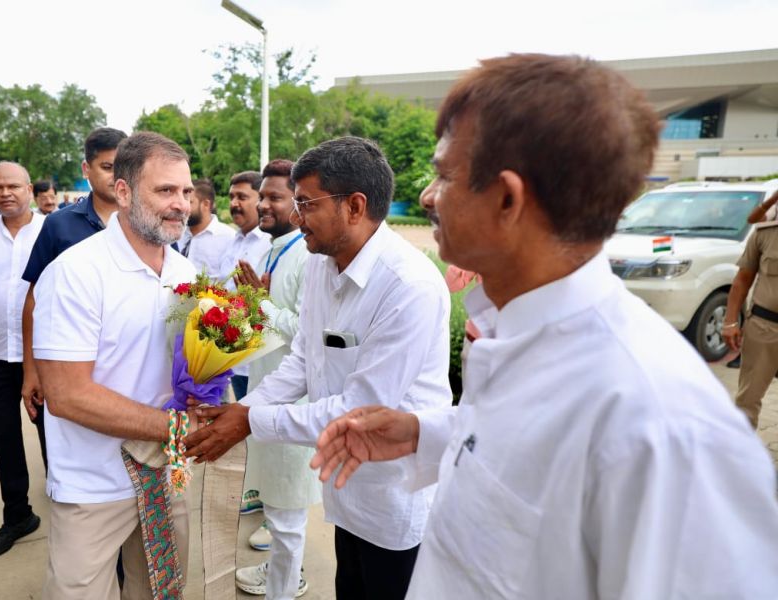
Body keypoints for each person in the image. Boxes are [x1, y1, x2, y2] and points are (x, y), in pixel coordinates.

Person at [310, 54, 778, 599]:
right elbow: (529, 449)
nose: (430, 197)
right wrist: (428, 432)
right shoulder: (518, 331)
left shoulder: (663, 426)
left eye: (443, 174)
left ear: (508, 198)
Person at [185, 137, 452, 600]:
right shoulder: (322, 265)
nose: (295, 215)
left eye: (305, 202)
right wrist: (242, 411)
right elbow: (305, 360)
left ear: (354, 206)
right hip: (345, 491)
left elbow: (362, 412)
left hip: (395, 495)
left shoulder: (408, 286)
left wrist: (249, 420)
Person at [33, 132, 198, 599]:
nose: (181, 204)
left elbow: (189, 370)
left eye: (185, 191)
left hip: (167, 476)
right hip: (94, 485)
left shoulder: (185, 273)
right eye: (165, 190)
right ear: (122, 192)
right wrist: (178, 428)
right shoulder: (76, 273)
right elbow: (67, 395)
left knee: (161, 591)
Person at [233, 159, 321, 599]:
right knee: (274, 504)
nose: (262, 205)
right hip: (266, 390)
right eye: (261, 196)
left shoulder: (308, 255)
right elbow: (269, 323)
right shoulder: (273, 248)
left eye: (274, 197)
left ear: (299, 203)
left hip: (293, 400)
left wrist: (261, 305)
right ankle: (279, 571)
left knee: (287, 513)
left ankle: (285, 587)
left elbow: (307, 333)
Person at [21, 127, 128, 431]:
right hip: (67, 362)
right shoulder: (59, 225)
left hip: (126, 366)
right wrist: (31, 371)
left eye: (122, 167)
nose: (116, 176)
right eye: (107, 167)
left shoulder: (144, 222)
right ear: (87, 168)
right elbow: (33, 300)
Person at [0, 162, 45, 558]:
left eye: (13, 186)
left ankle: (68, 500)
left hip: (44, 354)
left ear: (30, 189)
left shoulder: (49, 231)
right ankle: (17, 515)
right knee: (4, 437)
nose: (5, 193)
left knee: (52, 434)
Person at [723, 201, 778, 428]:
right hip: (764, 327)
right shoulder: (765, 234)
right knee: (747, 400)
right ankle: (740, 459)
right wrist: (729, 322)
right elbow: (742, 281)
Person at [218, 170, 271, 401]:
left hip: (262, 360)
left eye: (242, 197)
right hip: (235, 359)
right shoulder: (234, 241)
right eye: (231, 197)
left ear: (261, 200)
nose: (234, 204)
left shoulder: (269, 243)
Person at [178, 178, 235, 279]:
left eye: (190, 202)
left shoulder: (228, 238)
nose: (183, 207)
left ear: (206, 204)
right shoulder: (176, 234)